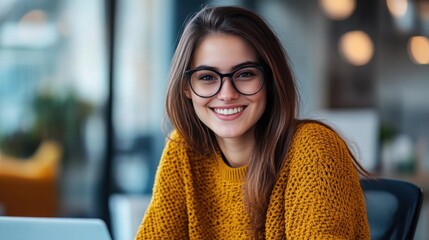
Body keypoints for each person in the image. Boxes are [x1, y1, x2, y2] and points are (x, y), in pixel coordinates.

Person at [135, 5, 370, 239]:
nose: (227, 94)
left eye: (245, 74)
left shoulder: (314, 150)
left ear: (269, 79)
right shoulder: (184, 150)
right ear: (187, 87)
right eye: (207, 77)